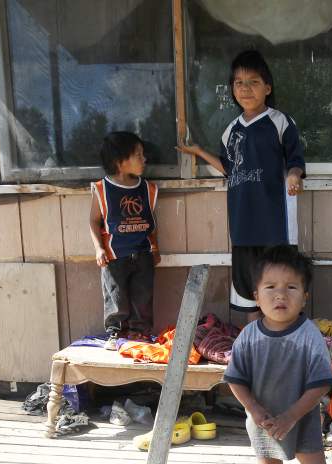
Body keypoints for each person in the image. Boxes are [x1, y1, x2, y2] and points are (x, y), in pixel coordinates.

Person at [224, 246, 332, 464]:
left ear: (304, 296)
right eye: (270, 287)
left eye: (291, 287)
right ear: (256, 296)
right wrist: (254, 409)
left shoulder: (308, 335)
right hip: (263, 421)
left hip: (302, 418)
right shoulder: (249, 336)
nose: (280, 295)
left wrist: (291, 416)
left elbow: (321, 384)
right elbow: (235, 380)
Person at [177, 50, 305, 321]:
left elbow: (295, 160)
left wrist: (294, 176)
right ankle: (253, 338)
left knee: (280, 287)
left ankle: (281, 338)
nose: (245, 88)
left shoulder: (280, 122)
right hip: (243, 226)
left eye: (253, 82)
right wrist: (199, 152)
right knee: (249, 290)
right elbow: (230, 168)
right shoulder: (231, 130)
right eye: (239, 83)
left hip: (275, 227)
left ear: (267, 88)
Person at [89, 131, 160, 350]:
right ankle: (115, 333)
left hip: (143, 254)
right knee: (116, 297)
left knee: (143, 296)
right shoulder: (102, 189)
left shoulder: (147, 189)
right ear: (120, 162)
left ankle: (140, 333)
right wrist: (99, 249)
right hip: (114, 256)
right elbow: (94, 221)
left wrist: (155, 247)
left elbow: (152, 222)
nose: (144, 159)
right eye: (138, 155)